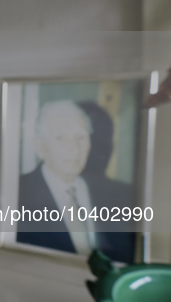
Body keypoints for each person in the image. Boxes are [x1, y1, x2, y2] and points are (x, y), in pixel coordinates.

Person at [17, 100, 136, 264]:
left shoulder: (117, 195)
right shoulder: (16, 195)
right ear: (39, 147)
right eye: (60, 138)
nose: (74, 148)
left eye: (80, 137)